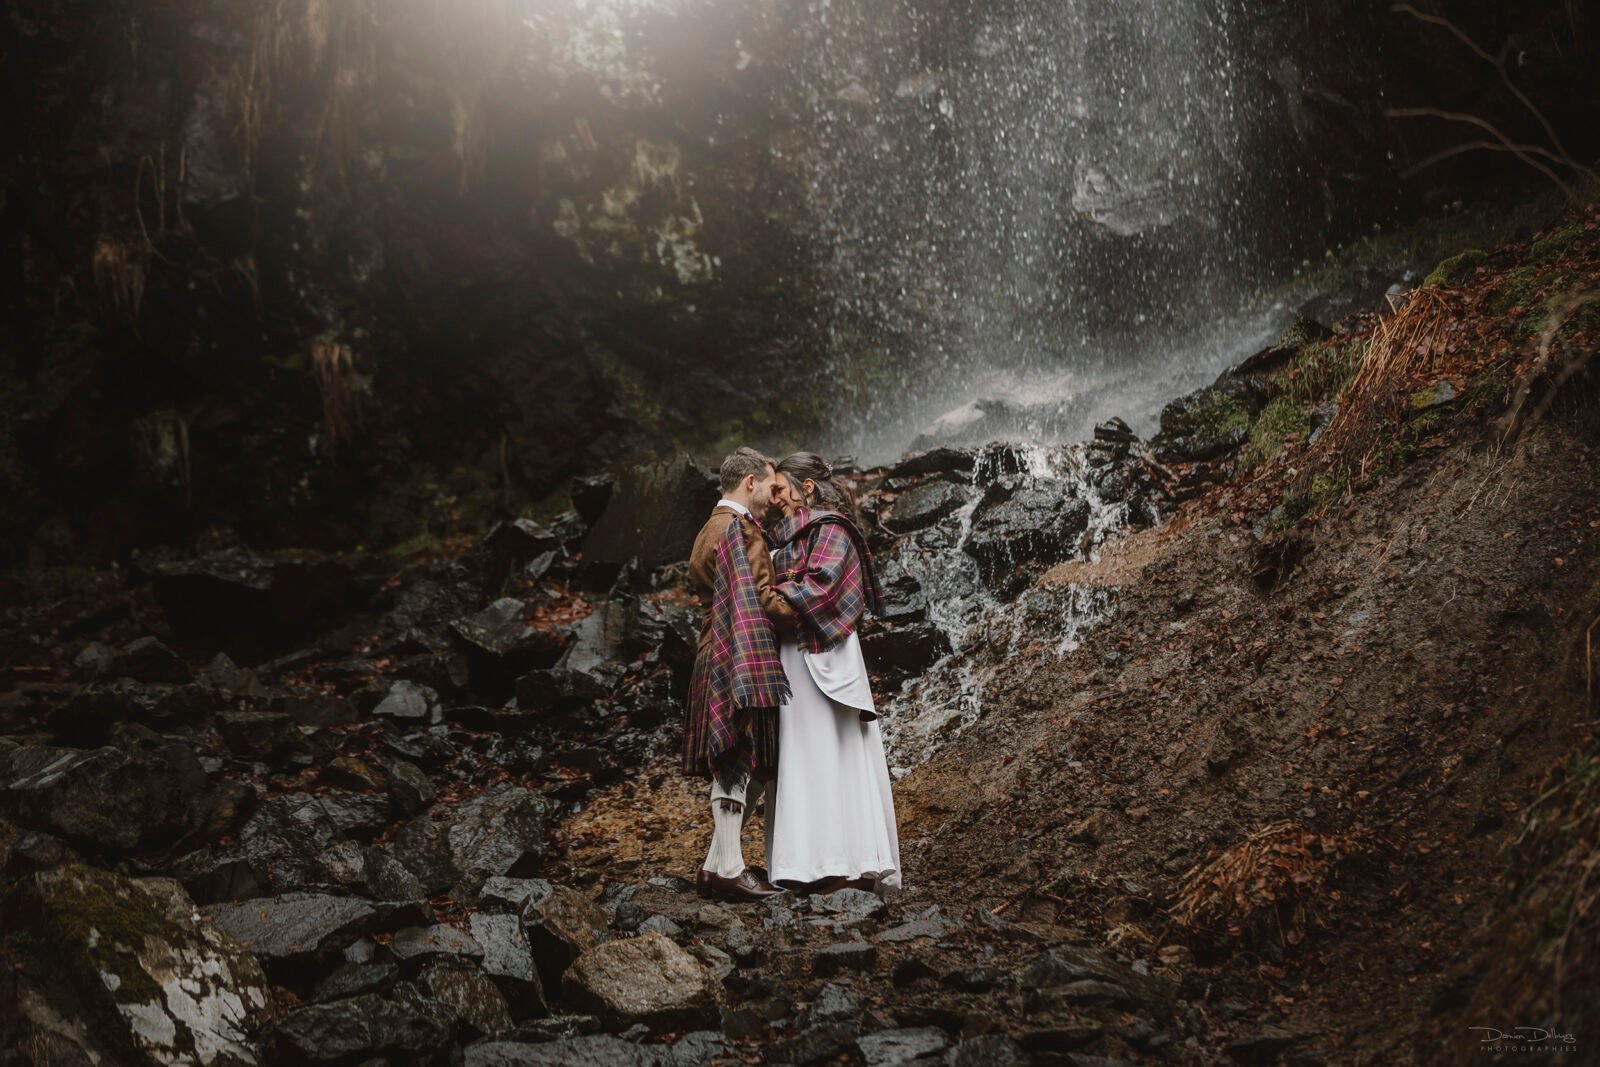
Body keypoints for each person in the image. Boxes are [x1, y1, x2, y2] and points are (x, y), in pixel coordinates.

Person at [765, 452, 902, 896]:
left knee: (832, 752)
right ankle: (806, 863)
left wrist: (761, 591)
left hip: (824, 655)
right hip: (792, 656)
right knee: (801, 755)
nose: (775, 498)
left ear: (806, 487)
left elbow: (821, 588)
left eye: (780, 488)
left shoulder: (832, 529)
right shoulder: (783, 533)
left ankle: (846, 863)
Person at [682, 447, 799, 902]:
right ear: (750, 482)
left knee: (739, 755)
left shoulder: (708, 528)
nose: (773, 497)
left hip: (713, 646)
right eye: (770, 486)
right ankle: (730, 869)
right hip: (738, 649)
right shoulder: (740, 529)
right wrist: (812, 609)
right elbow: (761, 598)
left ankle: (715, 865)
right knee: (737, 753)